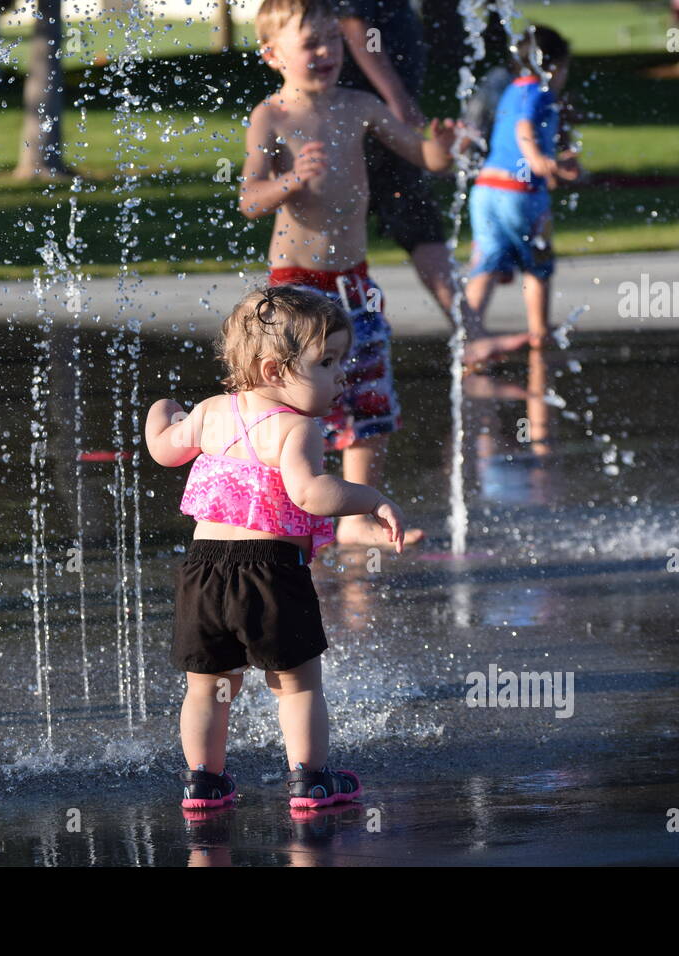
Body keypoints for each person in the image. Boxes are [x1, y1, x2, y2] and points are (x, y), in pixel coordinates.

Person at [144, 286, 407, 811]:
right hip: (270, 572)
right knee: (296, 683)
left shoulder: (211, 413)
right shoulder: (297, 428)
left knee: (208, 687)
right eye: (327, 362)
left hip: (202, 573)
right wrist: (370, 499)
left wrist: (161, 411)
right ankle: (309, 779)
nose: (341, 376)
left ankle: (204, 781)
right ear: (272, 371)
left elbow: (163, 450)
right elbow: (310, 493)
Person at [240, 0, 452, 548]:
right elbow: (249, 197)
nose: (326, 52)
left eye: (333, 40)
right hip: (295, 284)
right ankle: (288, 515)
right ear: (272, 53)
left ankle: (356, 519)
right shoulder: (272, 117)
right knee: (293, 402)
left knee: (369, 394)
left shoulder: (360, 105)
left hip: (352, 280)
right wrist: (291, 182)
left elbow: (422, 156)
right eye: (311, 43)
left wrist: (445, 148)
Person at [335, 0, 527, 365]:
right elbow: (354, 27)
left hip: (381, 125)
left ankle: (469, 332)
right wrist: (396, 98)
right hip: (367, 126)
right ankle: (314, 347)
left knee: (419, 225)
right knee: (347, 232)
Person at [465, 25, 579, 349]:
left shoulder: (513, 89)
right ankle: (539, 331)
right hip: (519, 192)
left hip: (486, 189)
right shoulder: (540, 91)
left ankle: (470, 335)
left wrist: (556, 160)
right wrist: (539, 160)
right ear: (554, 66)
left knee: (485, 262)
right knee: (538, 261)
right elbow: (524, 127)